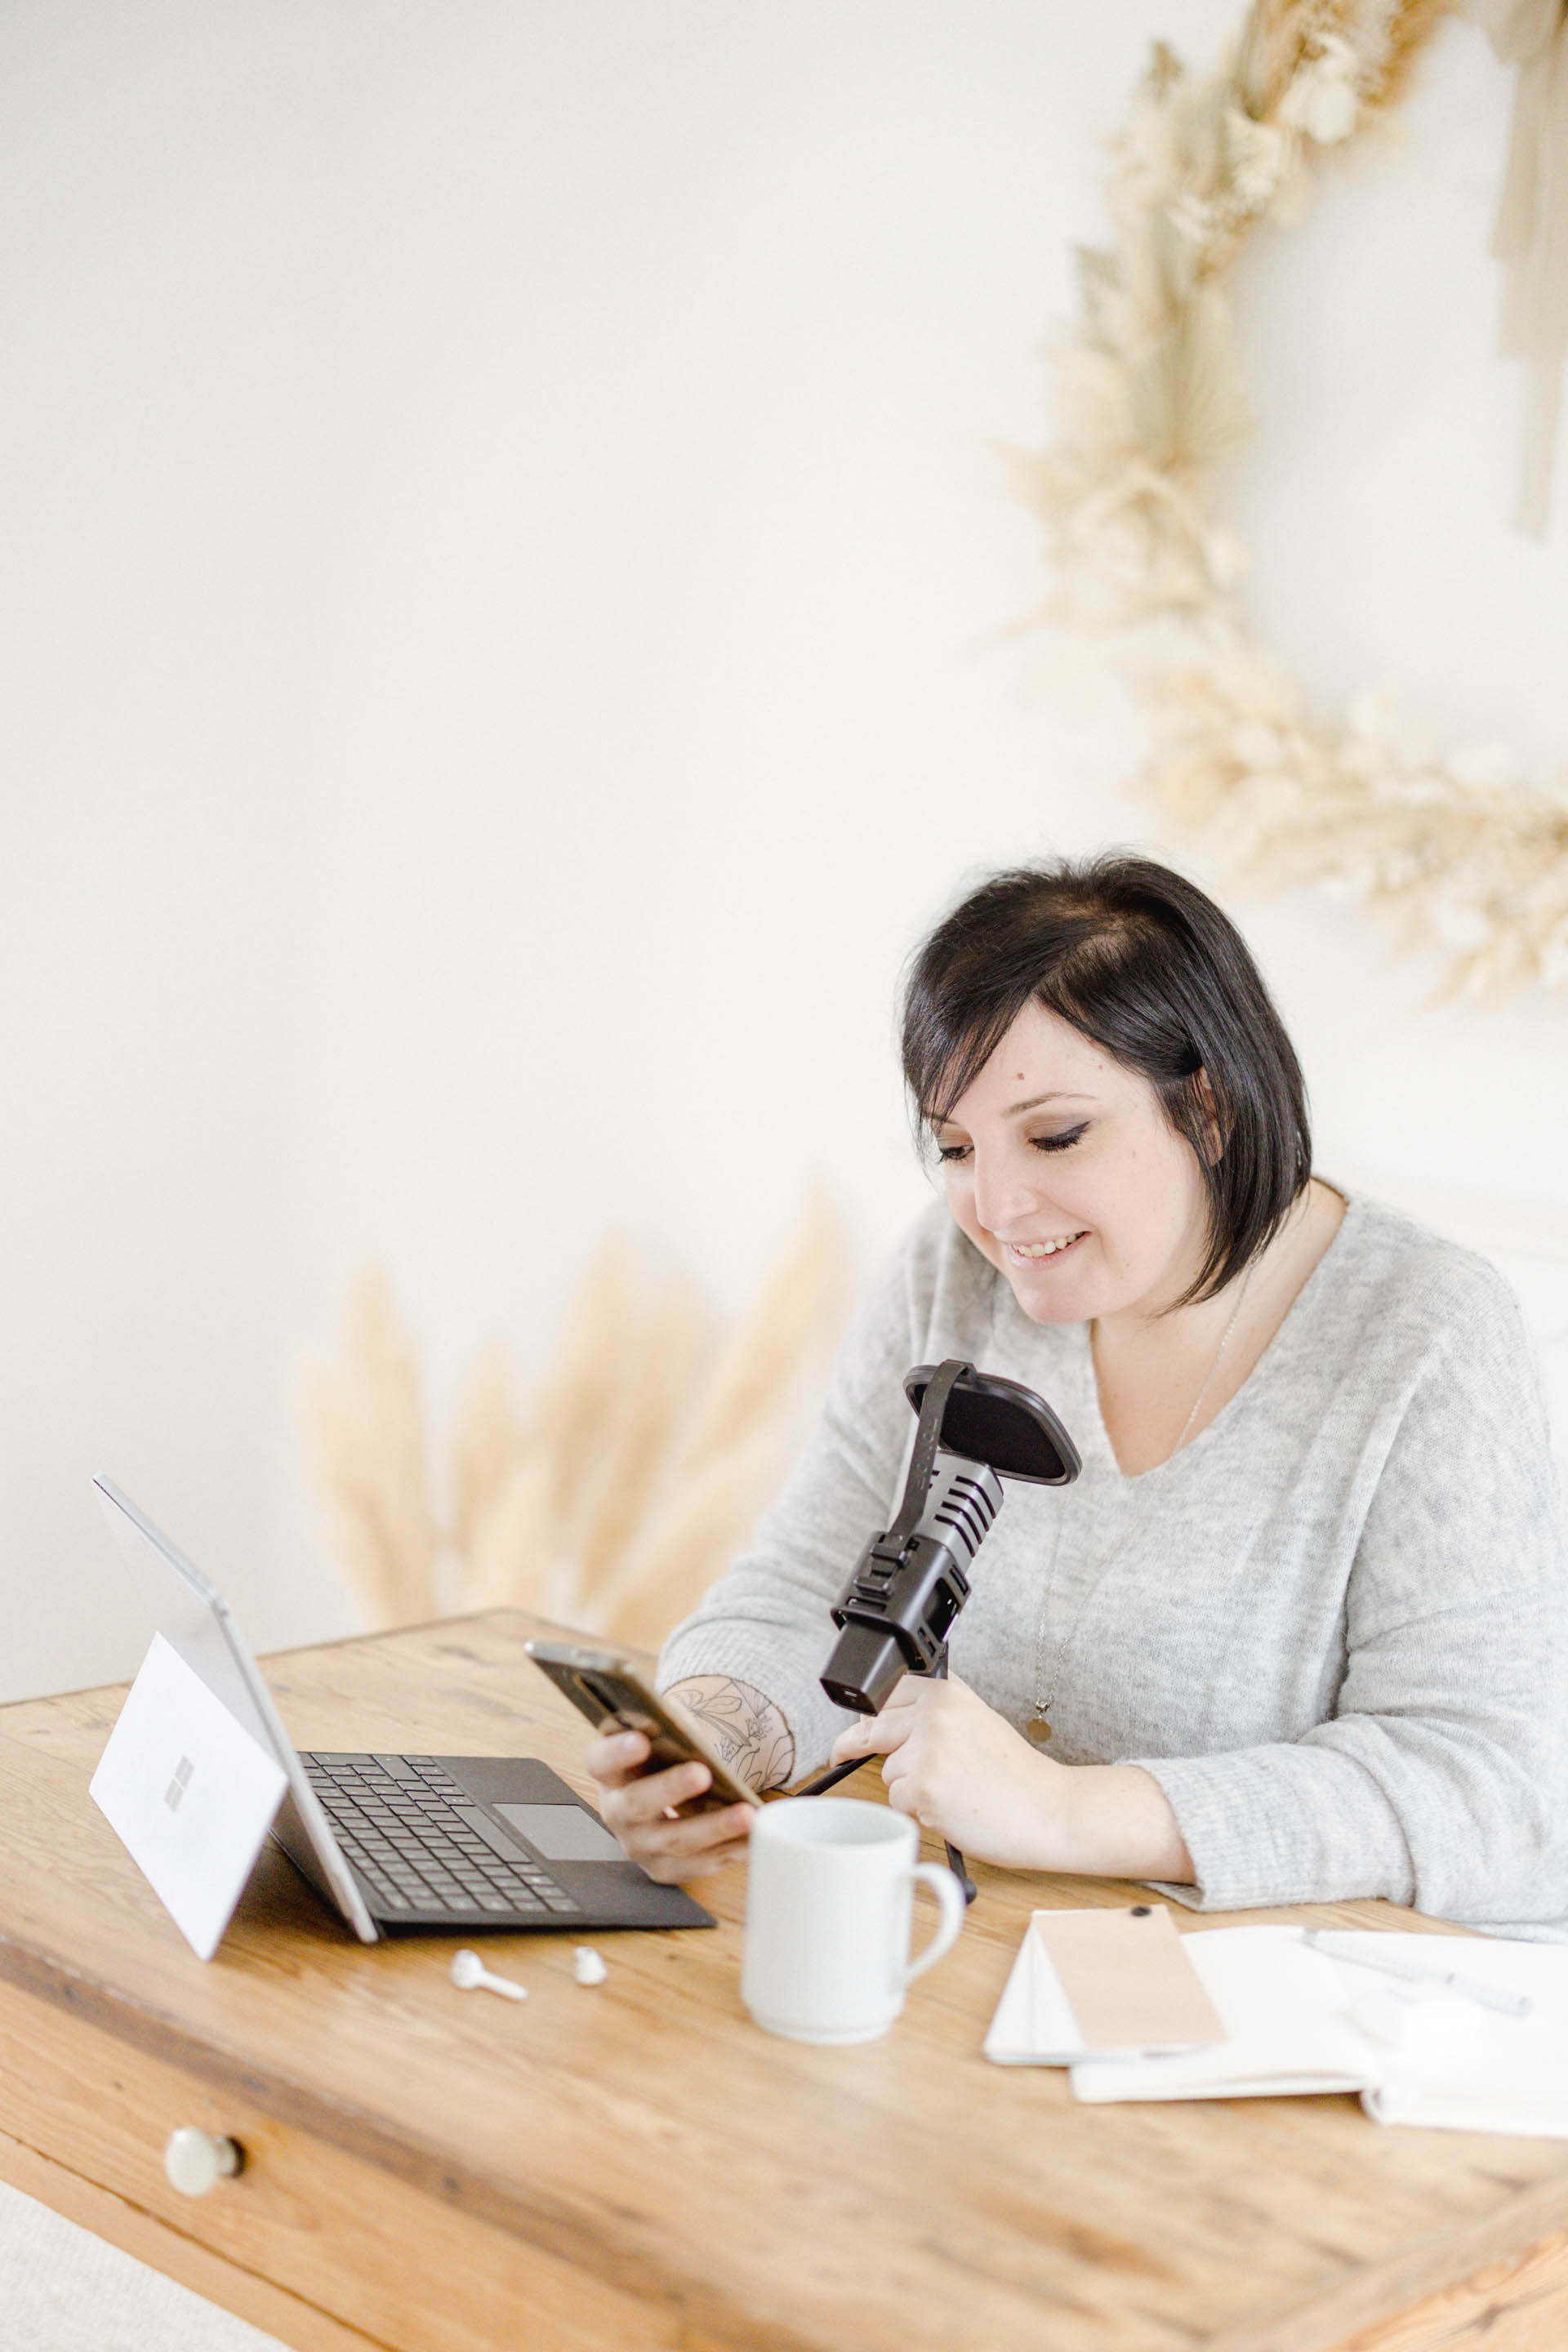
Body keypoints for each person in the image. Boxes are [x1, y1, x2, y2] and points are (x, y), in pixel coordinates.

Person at [585, 857, 1568, 1936]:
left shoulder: (1427, 1334)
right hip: (1019, 1945)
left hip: (1366, 2006)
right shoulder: (952, 1275)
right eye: (956, 1145)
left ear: (1211, 1107)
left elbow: (1483, 1783)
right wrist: (713, 1746)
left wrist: (1068, 1811)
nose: (997, 1207)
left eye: (1055, 1136)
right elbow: (802, 1589)